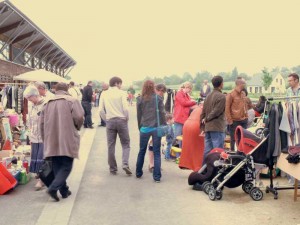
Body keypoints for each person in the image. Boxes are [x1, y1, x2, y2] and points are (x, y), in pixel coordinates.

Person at [39, 82, 84, 202]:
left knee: (58, 166)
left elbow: (41, 124)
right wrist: (76, 127)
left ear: (55, 90)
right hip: (67, 139)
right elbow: (79, 117)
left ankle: (64, 191)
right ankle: (53, 189)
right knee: (66, 166)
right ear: (67, 89)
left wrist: (45, 139)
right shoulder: (72, 101)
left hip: (51, 139)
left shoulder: (47, 103)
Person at [99, 77, 132, 175]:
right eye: (120, 84)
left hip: (110, 121)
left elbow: (100, 110)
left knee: (111, 145)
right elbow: (125, 108)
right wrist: (126, 118)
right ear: (117, 83)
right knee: (126, 144)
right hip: (121, 120)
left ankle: (113, 168)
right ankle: (125, 164)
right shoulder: (122, 93)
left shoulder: (104, 93)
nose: (121, 85)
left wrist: (106, 120)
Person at [136, 80, 166, 183]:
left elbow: (139, 115)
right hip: (156, 128)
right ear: (153, 87)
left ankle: (138, 172)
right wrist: (163, 125)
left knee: (142, 150)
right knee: (157, 152)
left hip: (144, 128)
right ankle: (157, 177)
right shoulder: (158, 98)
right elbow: (162, 113)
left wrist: (140, 127)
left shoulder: (140, 99)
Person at [23, 85, 47, 190]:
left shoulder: (45, 104)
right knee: (35, 158)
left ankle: (41, 180)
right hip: (34, 136)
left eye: (29, 98)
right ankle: (39, 177)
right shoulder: (31, 105)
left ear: (34, 95)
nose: (28, 100)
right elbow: (30, 121)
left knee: (42, 158)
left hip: (43, 137)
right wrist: (29, 134)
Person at [200, 76, 226, 158]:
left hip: (208, 127)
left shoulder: (208, 96)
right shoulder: (221, 96)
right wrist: (206, 119)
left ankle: (204, 170)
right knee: (218, 152)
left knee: (207, 151)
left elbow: (203, 112)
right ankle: (215, 170)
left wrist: (202, 125)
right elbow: (216, 112)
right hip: (217, 127)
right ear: (221, 84)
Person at [225, 77, 251, 151]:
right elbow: (227, 108)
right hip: (234, 120)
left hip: (244, 120)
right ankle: (233, 154)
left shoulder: (243, 94)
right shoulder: (230, 94)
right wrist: (230, 121)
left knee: (244, 138)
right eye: (244, 83)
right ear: (239, 84)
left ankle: (242, 152)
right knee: (233, 139)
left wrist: (246, 116)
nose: (245, 84)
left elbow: (245, 106)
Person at [147, 83, 167, 172]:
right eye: (162, 92)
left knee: (155, 144)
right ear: (159, 90)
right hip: (153, 124)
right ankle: (152, 165)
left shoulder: (153, 97)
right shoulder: (154, 98)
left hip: (152, 124)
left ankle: (154, 164)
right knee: (152, 144)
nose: (162, 94)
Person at [173, 81, 197, 147]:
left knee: (183, 137)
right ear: (187, 87)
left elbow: (189, 104)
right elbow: (184, 103)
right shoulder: (179, 93)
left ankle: (181, 153)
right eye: (190, 89)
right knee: (178, 137)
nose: (190, 91)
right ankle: (176, 154)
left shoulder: (186, 95)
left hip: (185, 119)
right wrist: (193, 102)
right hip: (179, 118)